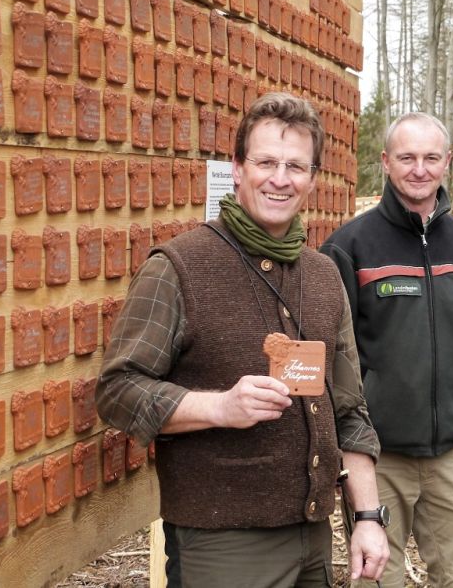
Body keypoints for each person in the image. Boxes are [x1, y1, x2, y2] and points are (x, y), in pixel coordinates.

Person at [96, 92, 389, 587]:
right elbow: (117, 391)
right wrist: (220, 408)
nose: (280, 178)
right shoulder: (177, 267)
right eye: (266, 162)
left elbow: (348, 410)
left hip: (313, 538)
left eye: (296, 166)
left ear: (314, 178)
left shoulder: (323, 276)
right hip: (221, 542)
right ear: (236, 168)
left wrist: (366, 518)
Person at [320, 112, 453, 587]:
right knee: (376, 582)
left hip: (450, 456)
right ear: (385, 162)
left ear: (446, 162)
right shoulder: (349, 248)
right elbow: (332, 362)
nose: (419, 169)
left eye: (431, 157)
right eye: (407, 157)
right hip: (376, 459)